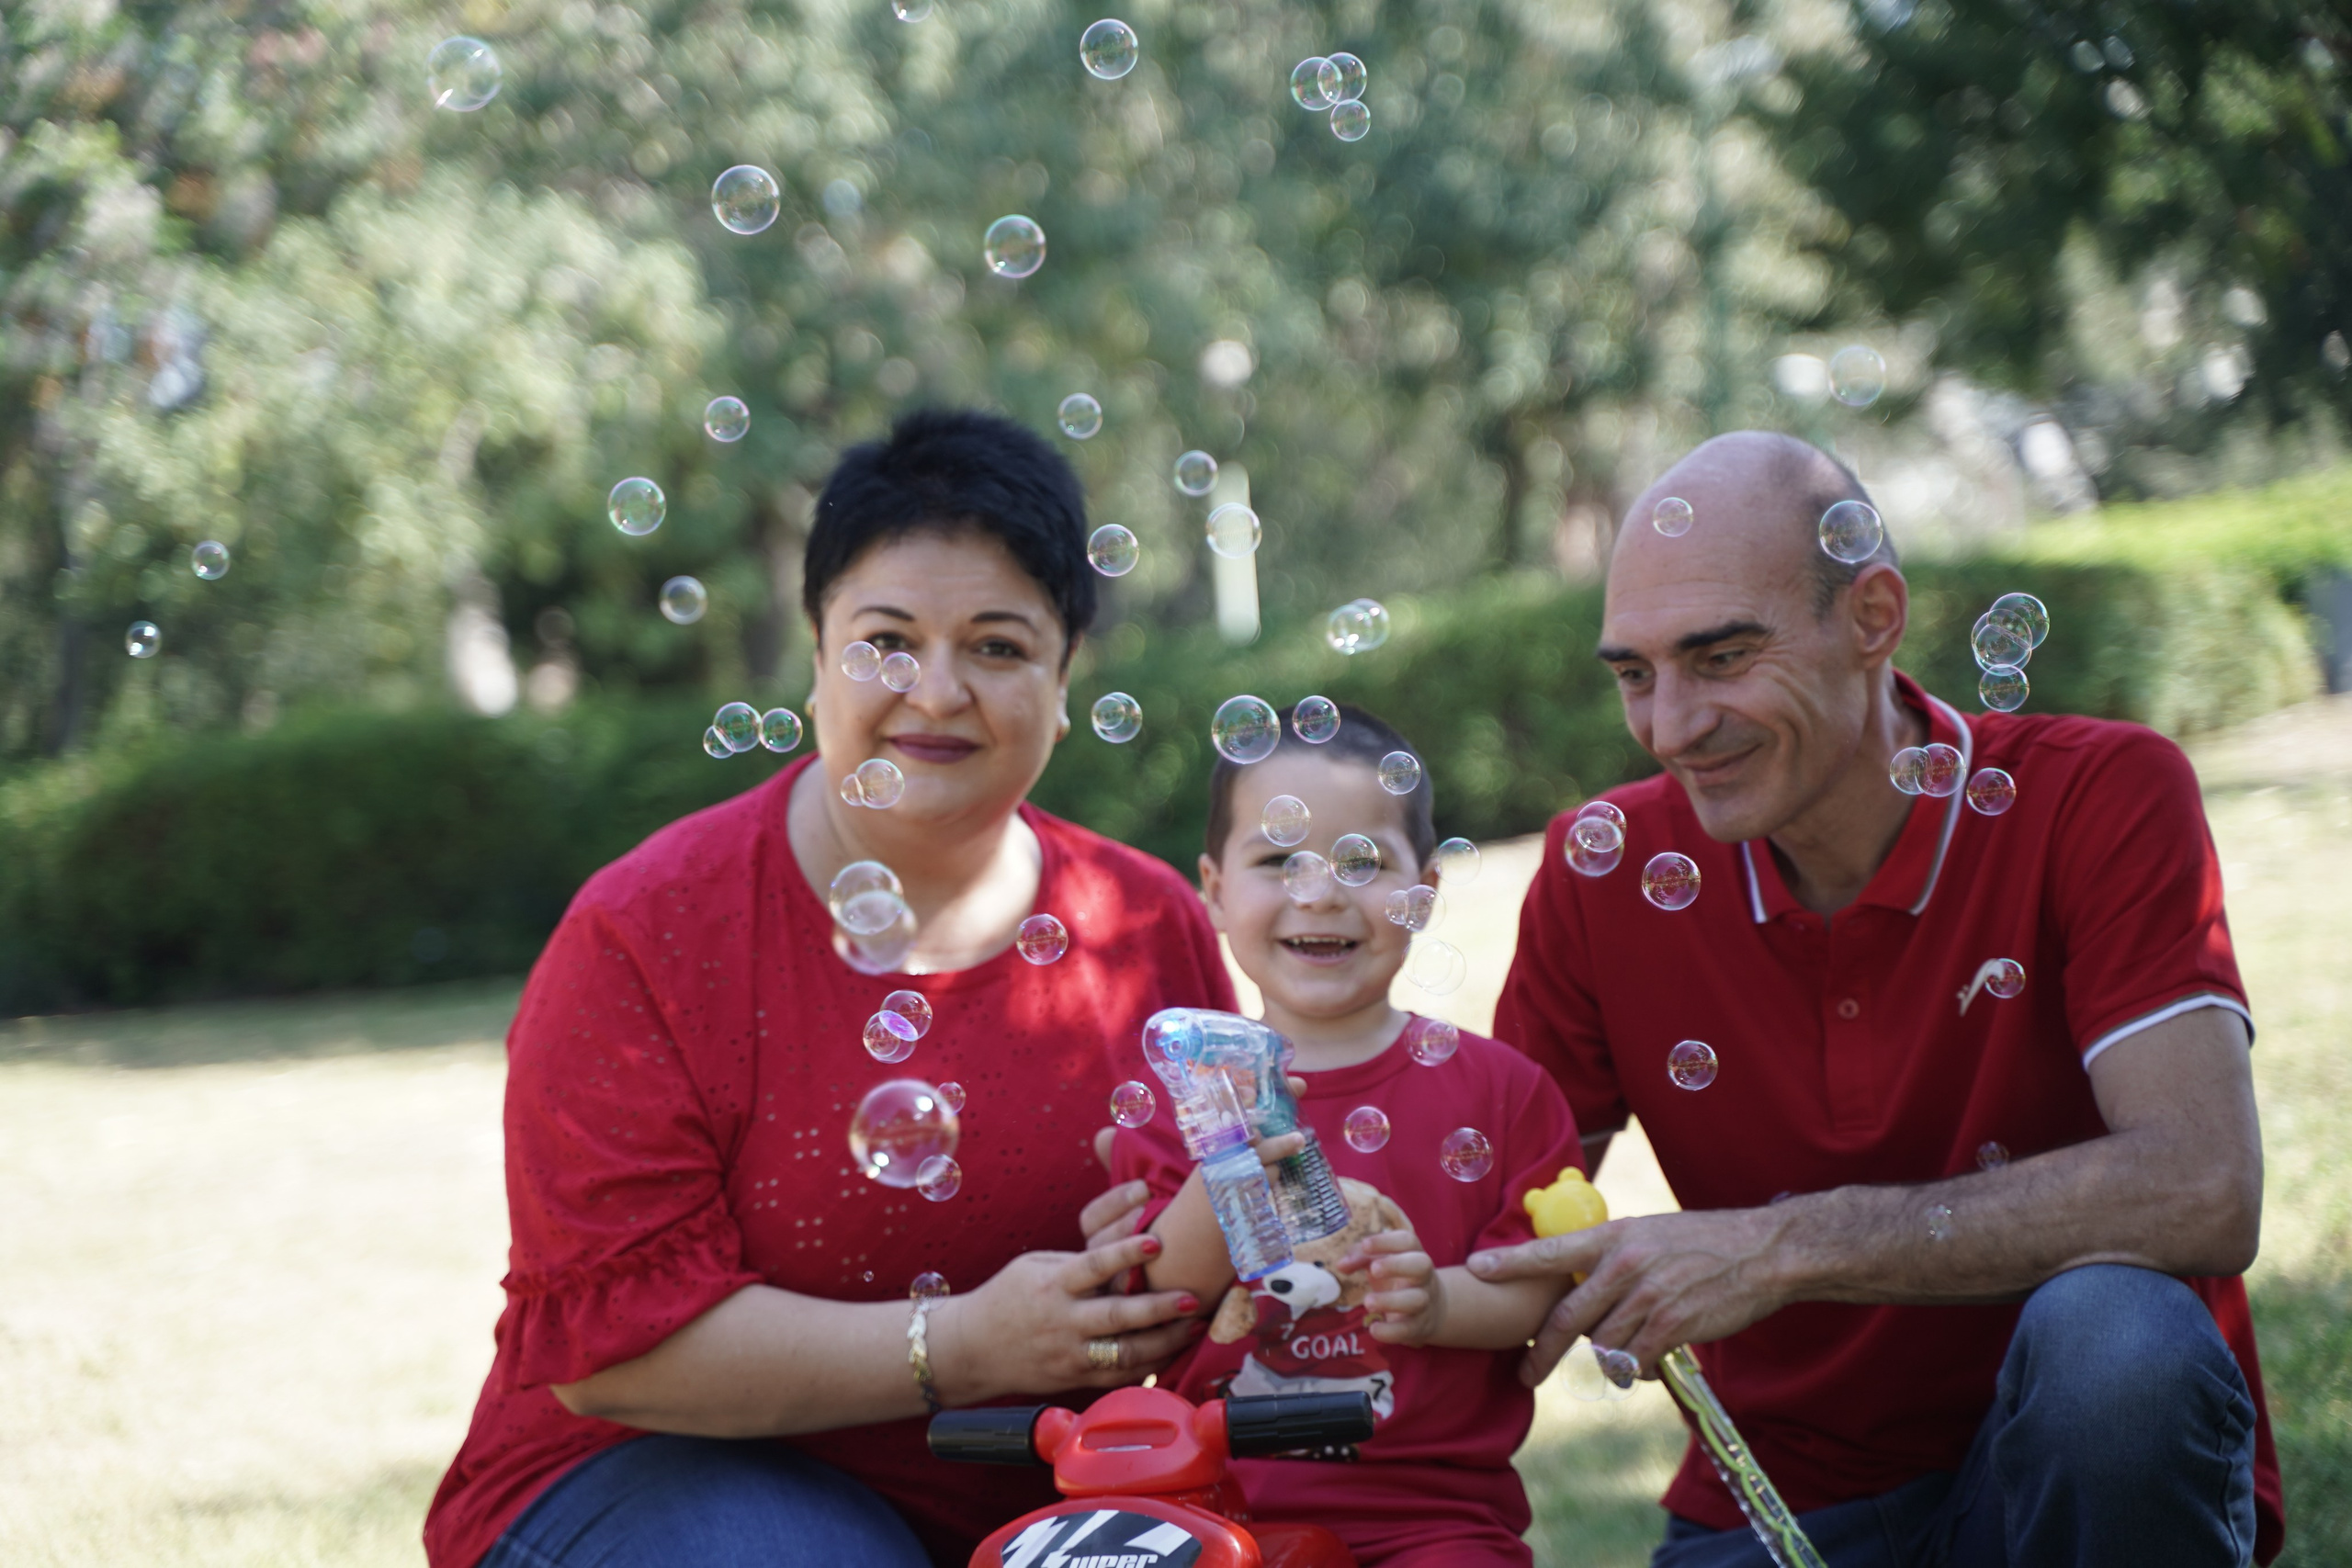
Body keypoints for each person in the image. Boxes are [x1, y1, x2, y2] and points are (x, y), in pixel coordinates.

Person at [424, 409, 1235, 1568]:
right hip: (653, 1483)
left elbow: (1215, 1239)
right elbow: (614, 1358)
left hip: (1044, 1491)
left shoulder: (1144, 925)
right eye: (886, 641)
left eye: (998, 647)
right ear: (816, 657)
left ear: (1065, 682)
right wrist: (962, 1343)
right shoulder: (646, 932)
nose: (937, 691)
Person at [1469, 431, 2284, 1566]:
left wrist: (1779, 1247)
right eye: (1633, 675)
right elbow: (1485, 1224)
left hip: (2073, 1472)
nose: (1668, 729)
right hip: (1775, 1500)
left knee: (2113, 1340)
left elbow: (2202, 1186)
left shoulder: (2099, 794)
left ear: (1872, 617)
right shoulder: (1599, 870)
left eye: (1721, 657)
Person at [1113, 704, 1582, 1568]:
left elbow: (1534, 1290)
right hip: (1208, 1499)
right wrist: (1230, 1156)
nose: (1320, 890)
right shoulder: (1179, 1093)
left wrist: (1438, 1302)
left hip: (1431, 1514)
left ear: (1425, 891)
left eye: (1361, 862)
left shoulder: (1503, 1092)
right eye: (1279, 859)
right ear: (1214, 889)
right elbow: (1161, 1295)